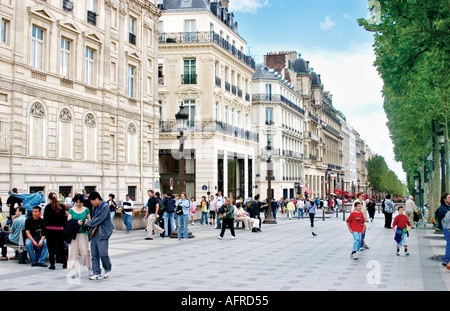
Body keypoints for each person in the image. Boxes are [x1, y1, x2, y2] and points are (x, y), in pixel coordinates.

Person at [85, 191, 114, 280]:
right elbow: (95, 218)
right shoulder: (95, 207)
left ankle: (107, 268)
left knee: (103, 253)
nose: (92, 203)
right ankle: (96, 272)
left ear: (97, 199)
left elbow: (99, 219)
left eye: (92, 201)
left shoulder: (105, 206)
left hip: (103, 233)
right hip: (94, 233)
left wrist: (89, 223)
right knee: (94, 254)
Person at [67, 194, 92, 277]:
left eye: (80, 202)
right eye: (77, 202)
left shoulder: (86, 210)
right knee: (73, 252)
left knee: (85, 251)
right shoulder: (71, 210)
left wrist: (85, 222)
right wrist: (76, 222)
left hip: (83, 233)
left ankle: (89, 267)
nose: (78, 204)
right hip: (73, 233)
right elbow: (69, 221)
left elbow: (90, 221)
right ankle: (74, 269)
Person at [43, 192, 67, 270]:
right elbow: (64, 219)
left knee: (51, 248)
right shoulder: (62, 207)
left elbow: (45, 219)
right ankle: (64, 263)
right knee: (61, 246)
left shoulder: (47, 207)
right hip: (59, 229)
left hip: (50, 229)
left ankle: (52, 264)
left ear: (49, 199)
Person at [438, 193, 450, 267]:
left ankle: (447, 260)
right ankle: (446, 260)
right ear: (444, 199)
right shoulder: (442, 208)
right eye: (449, 197)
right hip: (447, 228)